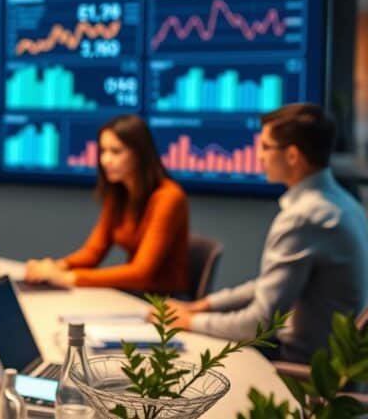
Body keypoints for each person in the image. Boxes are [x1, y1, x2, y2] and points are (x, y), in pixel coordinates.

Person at [164, 103, 368, 363]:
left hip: (301, 365)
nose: (258, 155)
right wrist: (205, 305)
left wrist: (190, 321)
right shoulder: (344, 203)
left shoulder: (303, 217)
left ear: (292, 155)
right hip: (329, 360)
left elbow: (258, 324)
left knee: (188, 359)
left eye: (265, 146)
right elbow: (268, 285)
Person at [24, 114, 190, 294]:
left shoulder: (169, 197)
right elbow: (94, 252)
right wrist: (56, 267)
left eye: (116, 152)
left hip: (163, 302)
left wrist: (67, 278)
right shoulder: (119, 192)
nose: (105, 160)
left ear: (140, 154)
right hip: (134, 293)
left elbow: (141, 273)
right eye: (103, 151)